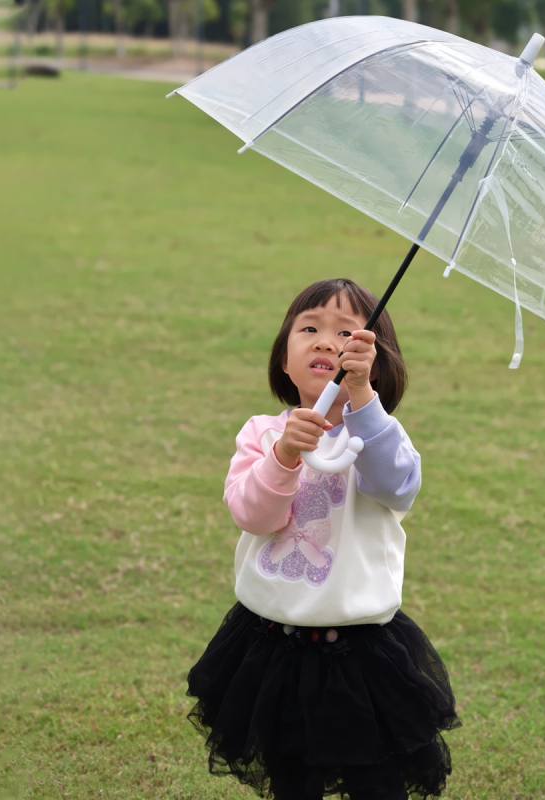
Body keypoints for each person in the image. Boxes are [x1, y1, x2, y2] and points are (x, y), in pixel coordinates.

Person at [186, 278, 461, 800]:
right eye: (309, 328)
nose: (326, 341)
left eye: (347, 333)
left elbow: (398, 485)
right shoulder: (262, 434)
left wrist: (362, 398)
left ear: (374, 362)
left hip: (360, 651)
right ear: (284, 361)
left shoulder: (378, 435)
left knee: (377, 781)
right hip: (273, 644)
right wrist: (284, 456)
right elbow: (252, 514)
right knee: (292, 779)